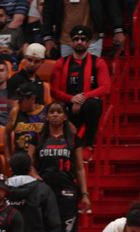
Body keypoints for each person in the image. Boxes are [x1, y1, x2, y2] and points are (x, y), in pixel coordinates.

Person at [28, 101, 89, 232]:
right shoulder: (37, 137)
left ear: (64, 116)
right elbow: (28, 163)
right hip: (43, 191)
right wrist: (36, 177)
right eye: (51, 112)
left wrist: (85, 193)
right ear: (46, 116)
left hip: (66, 192)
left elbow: (79, 167)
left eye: (58, 112)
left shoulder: (73, 139)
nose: (54, 115)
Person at [50, 25, 111, 156]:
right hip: (67, 106)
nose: (79, 42)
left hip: (87, 106)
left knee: (93, 104)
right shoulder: (61, 63)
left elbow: (105, 88)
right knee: (53, 109)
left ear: (88, 43)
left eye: (83, 39)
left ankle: (88, 144)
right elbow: (53, 91)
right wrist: (71, 99)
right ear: (71, 43)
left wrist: (83, 98)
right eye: (76, 39)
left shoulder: (98, 63)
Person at [6, 82, 47, 158]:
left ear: (32, 98)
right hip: (20, 159)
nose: (18, 102)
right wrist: (8, 155)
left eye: (21, 100)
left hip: (41, 160)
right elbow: (6, 133)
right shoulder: (15, 111)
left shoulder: (46, 112)